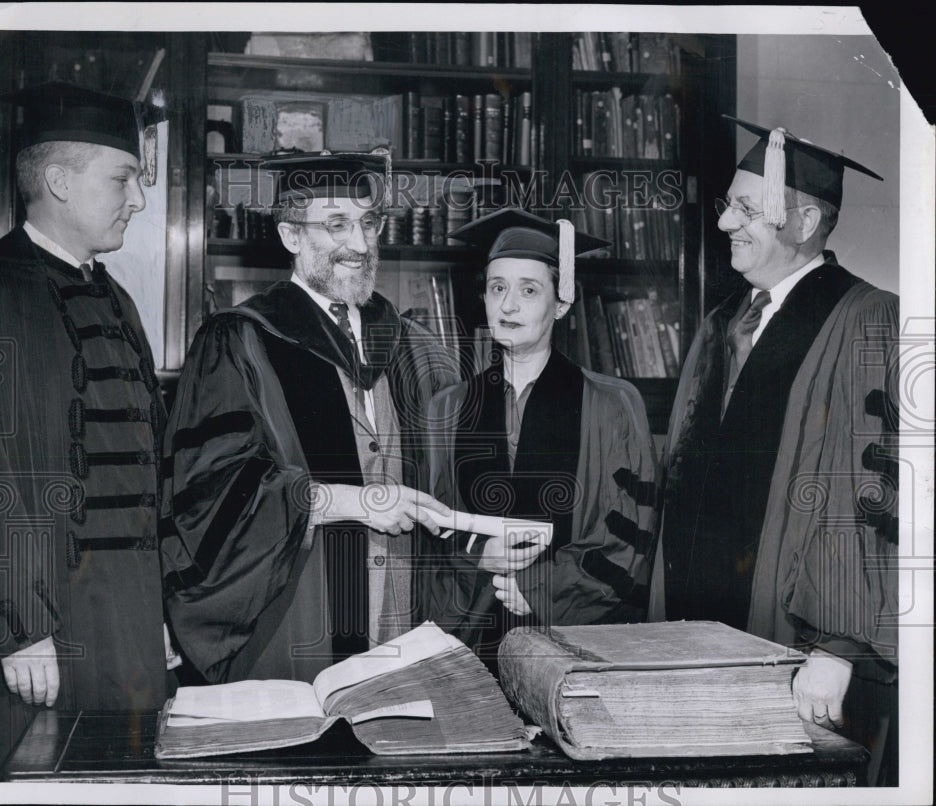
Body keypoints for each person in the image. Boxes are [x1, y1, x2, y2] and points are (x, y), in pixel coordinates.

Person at [649, 117, 899, 785]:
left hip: (795, 637)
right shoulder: (719, 327)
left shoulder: (866, 318)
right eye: (728, 205)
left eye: (746, 207)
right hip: (695, 638)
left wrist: (837, 647)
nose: (726, 221)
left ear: (805, 219)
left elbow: (869, 487)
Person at [160, 153, 458, 685]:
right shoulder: (239, 340)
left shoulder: (412, 346)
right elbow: (210, 490)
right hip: (296, 620)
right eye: (337, 225)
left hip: (403, 622)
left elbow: (454, 483)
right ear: (291, 236)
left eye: (369, 223)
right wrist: (346, 500)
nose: (361, 246)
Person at [0, 82, 171, 780]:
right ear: (57, 180)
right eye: (123, 179)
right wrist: (15, 626)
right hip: (32, 643)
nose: (137, 200)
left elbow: (147, 477)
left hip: (129, 634)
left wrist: (161, 613)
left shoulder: (120, 302)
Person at [420, 208, 659, 673]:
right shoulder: (446, 408)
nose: (508, 306)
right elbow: (430, 528)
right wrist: (476, 555)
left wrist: (542, 587)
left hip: (575, 643)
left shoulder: (613, 405)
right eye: (497, 288)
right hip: (467, 643)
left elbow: (630, 534)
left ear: (562, 303)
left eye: (529, 290)